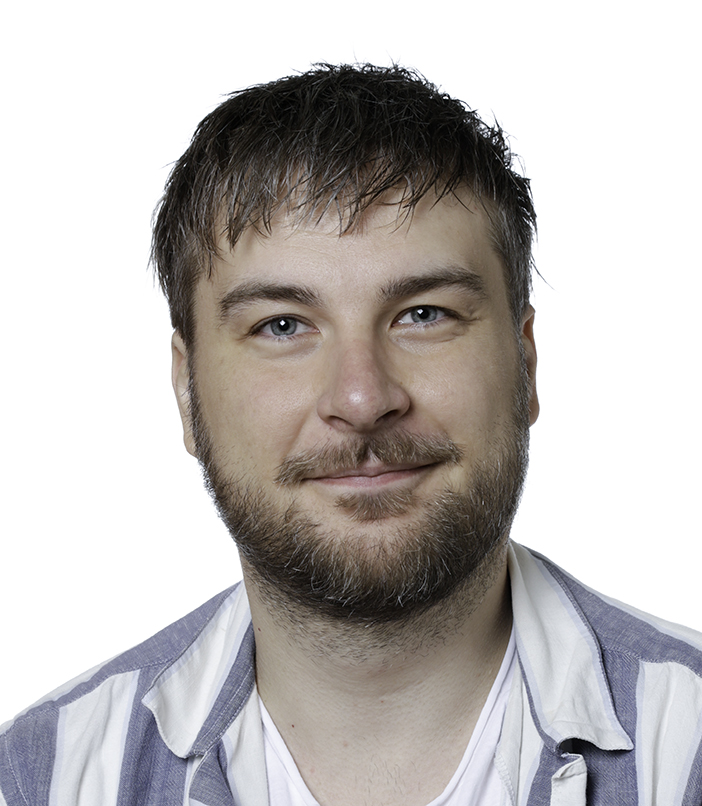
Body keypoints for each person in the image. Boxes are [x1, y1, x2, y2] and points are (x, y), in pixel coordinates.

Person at [1, 63, 701, 806]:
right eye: (282, 326)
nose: (362, 399)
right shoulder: (40, 782)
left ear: (525, 363)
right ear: (186, 389)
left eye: (424, 315)